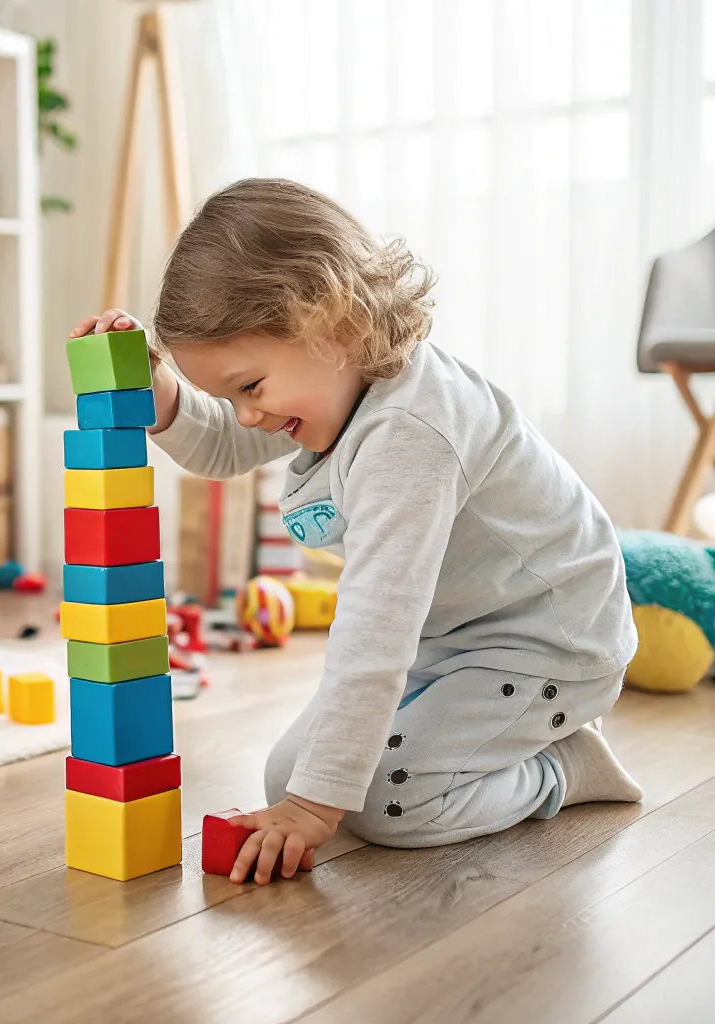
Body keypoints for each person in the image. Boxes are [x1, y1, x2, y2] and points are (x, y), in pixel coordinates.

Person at [69, 177, 642, 886]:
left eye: (249, 388)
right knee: (291, 773)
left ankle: (561, 768)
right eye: (229, 396)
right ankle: (473, 750)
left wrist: (315, 809)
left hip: (544, 647)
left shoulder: (410, 431)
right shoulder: (337, 384)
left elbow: (376, 629)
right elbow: (220, 447)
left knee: (382, 801)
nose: (245, 415)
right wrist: (156, 394)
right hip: (453, 642)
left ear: (332, 321)